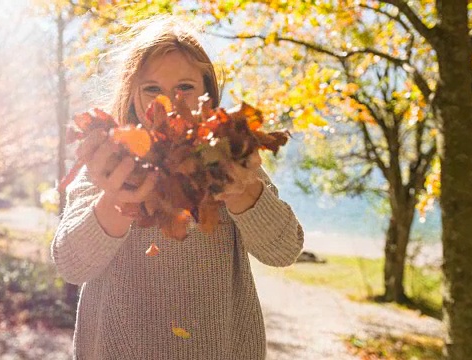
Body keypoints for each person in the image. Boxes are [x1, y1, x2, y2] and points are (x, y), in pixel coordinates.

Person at [51, 16, 304, 360]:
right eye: (151, 89)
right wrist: (115, 201)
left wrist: (242, 192)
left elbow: (284, 250)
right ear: (131, 94)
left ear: (207, 95)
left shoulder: (231, 162)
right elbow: (71, 265)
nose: (167, 103)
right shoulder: (107, 164)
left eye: (184, 87)